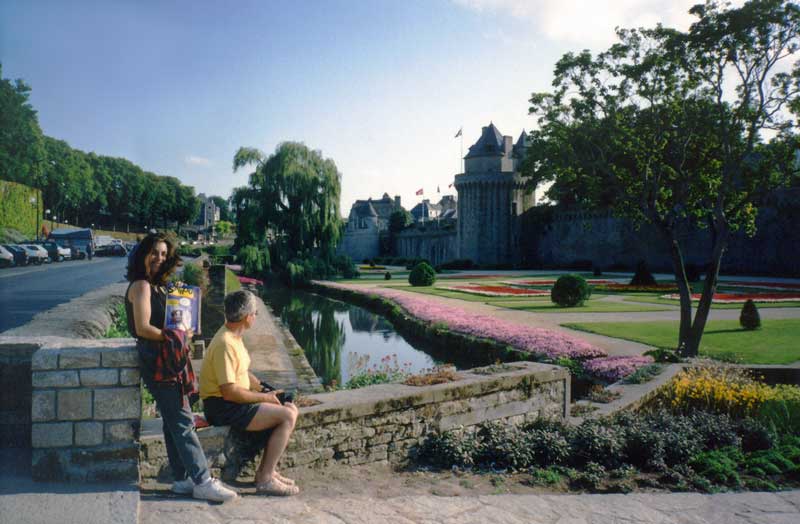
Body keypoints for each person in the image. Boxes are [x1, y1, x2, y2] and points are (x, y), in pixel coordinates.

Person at [126, 232, 237, 503]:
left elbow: (172, 322)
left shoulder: (159, 286)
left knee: (171, 421)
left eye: (164, 254)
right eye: (154, 252)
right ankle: (202, 480)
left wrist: (186, 330)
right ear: (143, 254)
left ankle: (181, 479)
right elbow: (142, 328)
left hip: (167, 359)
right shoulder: (141, 285)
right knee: (184, 421)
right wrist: (175, 335)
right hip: (158, 361)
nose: (159, 258)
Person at [200, 290, 300, 496]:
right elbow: (229, 392)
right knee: (287, 415)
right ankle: (264, 479)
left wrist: (264, 388)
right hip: (222, 407)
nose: (256, 316)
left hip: (231, 402)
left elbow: (243, 372)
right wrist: (264, 398)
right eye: (255, 313)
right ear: (247, 317)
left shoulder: (233, 336)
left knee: (290, 407)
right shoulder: (225, 344)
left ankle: (269, 471)